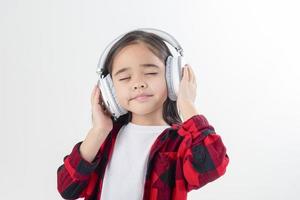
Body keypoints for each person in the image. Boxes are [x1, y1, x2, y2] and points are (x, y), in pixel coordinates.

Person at [57, 29, 230, 200]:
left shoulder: (179, 143)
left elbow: (213, 164)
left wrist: (186, 104)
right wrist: (98, 130)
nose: (138, 83)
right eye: (125, 78)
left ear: (173, 78)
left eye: (150, 73)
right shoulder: (105, 139)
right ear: (110, 90)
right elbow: (67, 188)